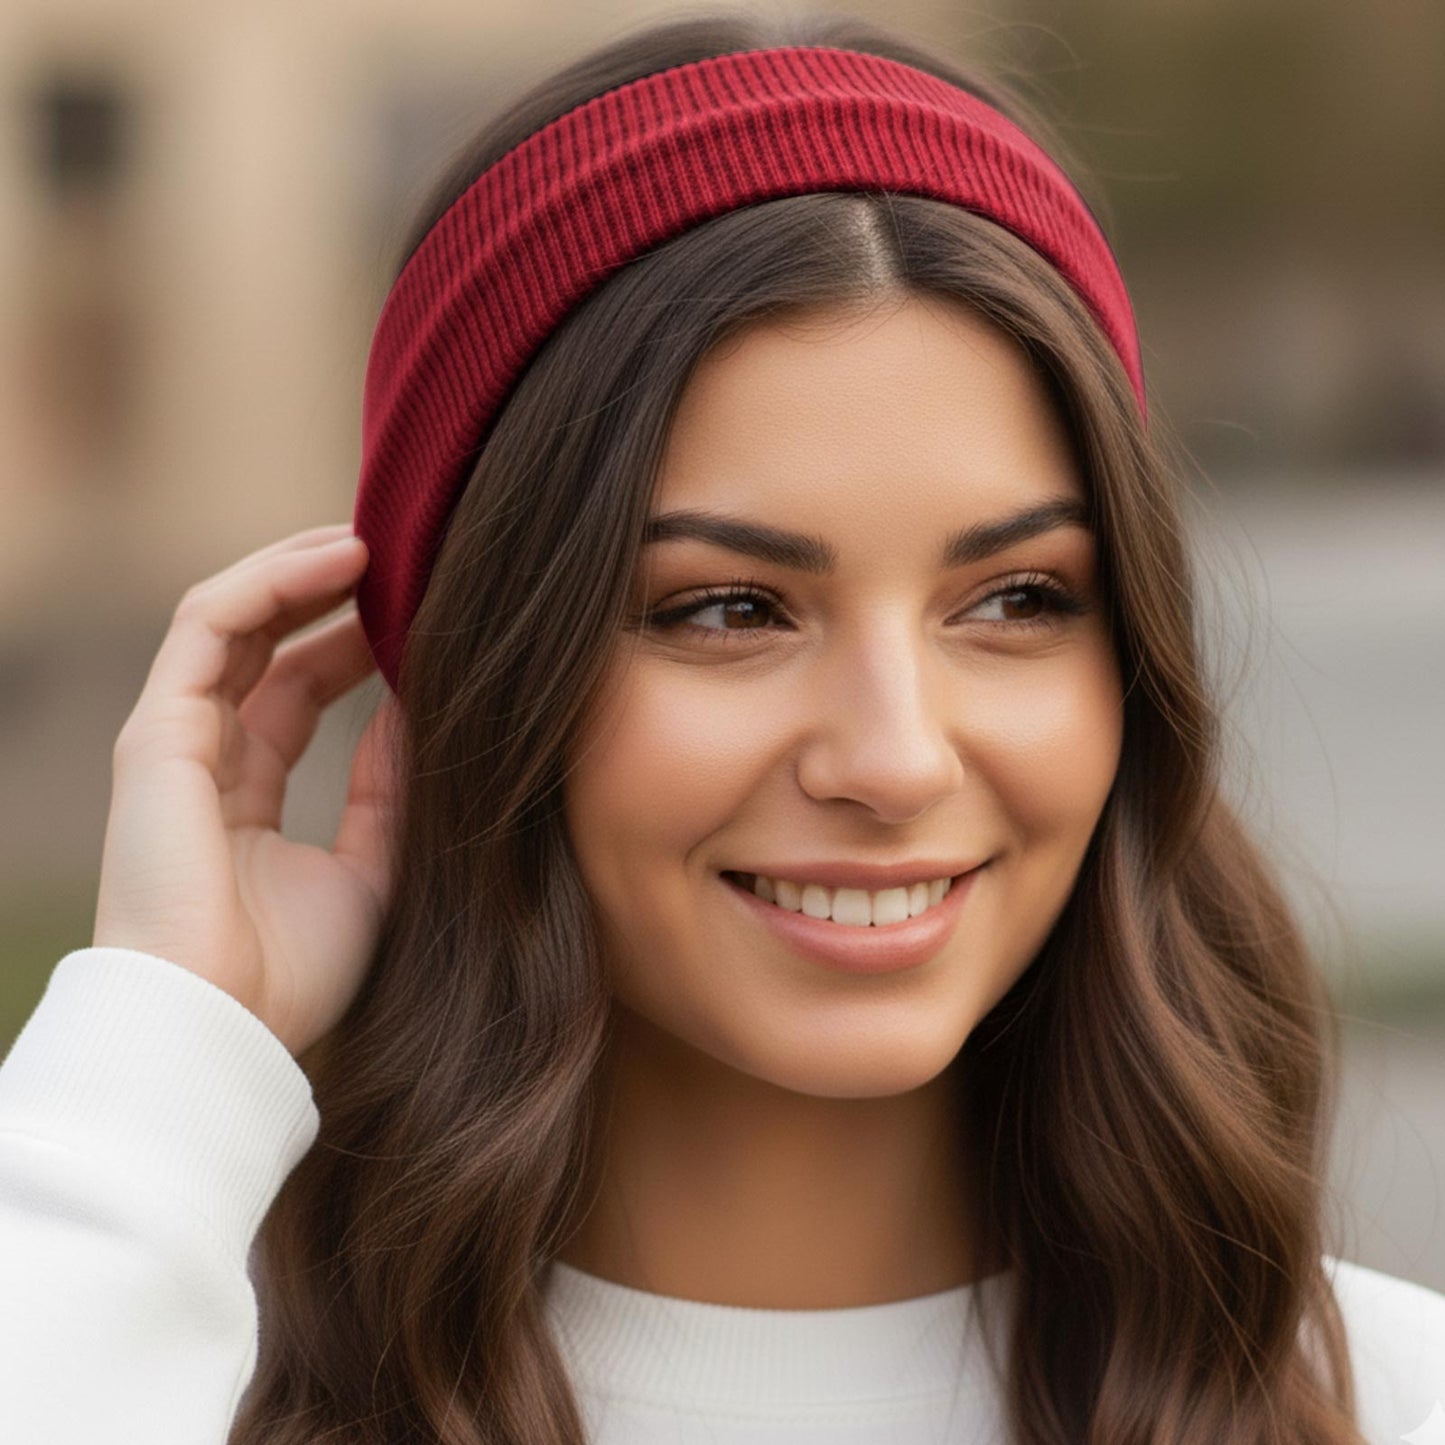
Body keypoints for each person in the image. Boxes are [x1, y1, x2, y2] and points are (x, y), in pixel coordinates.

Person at [2, 8, 1442, 1444]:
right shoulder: (166, 1371)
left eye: (1012, 597)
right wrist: (165, 1048)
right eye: (727, 609)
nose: (891, 758)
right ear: (484, 664)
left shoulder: (1390, 1398)